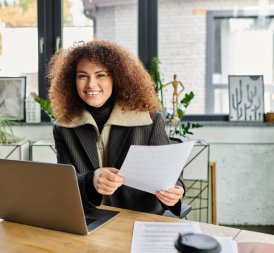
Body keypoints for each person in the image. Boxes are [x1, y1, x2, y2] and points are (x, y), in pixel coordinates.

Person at [48, 40, 184, 215]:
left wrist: (175, 190)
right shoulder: (64, 127)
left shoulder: (150, 119)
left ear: (117, 77)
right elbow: (65, 182)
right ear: (72, 81)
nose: (91, 84)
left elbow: (169, 173)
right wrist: (91, 180)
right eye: (82, 76)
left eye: (100, 75)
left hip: (139, 217)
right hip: (91, 218)